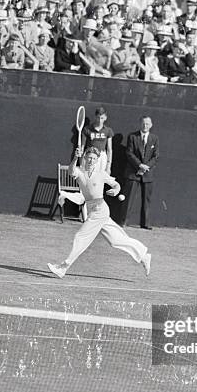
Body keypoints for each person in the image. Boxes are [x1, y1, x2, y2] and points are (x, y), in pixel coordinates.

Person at [48, 147, 152, 279]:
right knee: (116, 240)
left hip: (100, 209)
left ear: (97, 160)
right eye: (89, 157)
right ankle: (143, 256)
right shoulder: (79, 172)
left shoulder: (101, 174)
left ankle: (63, 267)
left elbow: (116, 185)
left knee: (80, 237)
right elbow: (71, 171)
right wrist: (75, 157)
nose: (91, 160)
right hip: (92, 209)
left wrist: (116, 190)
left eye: (94, 158)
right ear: (85, 157)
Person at [120, 116, 158, 230]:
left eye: (147, 124)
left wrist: (146, 167)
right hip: (133, 172)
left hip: (148, 174)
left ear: (151, 125)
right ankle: (123, 222)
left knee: (147, 200)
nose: (145, 126)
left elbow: (156, 156)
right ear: (139, 124)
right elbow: (129, 153)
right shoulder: (132, 137)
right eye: (143, 123)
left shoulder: (155, 138)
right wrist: (139, 165)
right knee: (129, 199)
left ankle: (145, 223)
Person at [81, 106, 113, 174]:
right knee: (87, 178)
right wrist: (81, 162)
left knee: (100, 180)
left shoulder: (108, 130)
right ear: (95, 117)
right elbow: (82, 147)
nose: (100, 120)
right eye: (98, 118)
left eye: (102, 118)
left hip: (102, 156)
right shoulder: (87, 129)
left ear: (105, 118)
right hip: (89, 155)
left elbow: (109, 149)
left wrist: (108, 166)